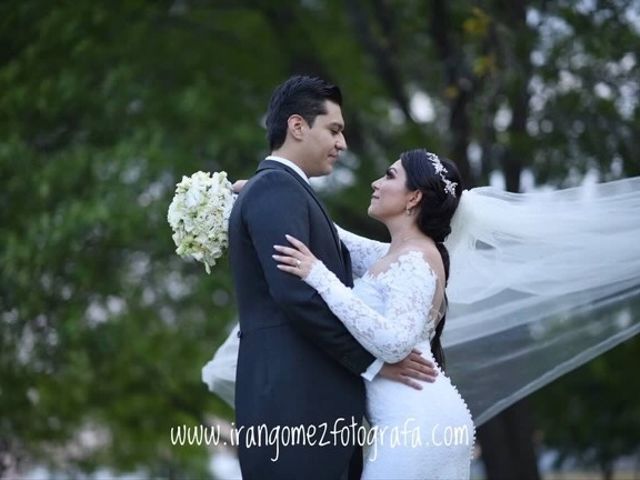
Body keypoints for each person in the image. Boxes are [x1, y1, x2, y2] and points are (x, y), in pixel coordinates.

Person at [227, 75, 438, 480]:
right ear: (298, 126)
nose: (342, 143)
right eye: (335, 130)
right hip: (295, 407)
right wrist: (371, 364)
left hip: (308, 406)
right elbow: (296, 296)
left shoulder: (282, 189)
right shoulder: (276, 188)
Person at [273, 149, 475, 479]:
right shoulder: (398, 254)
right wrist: (264, 192)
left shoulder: (416, 259)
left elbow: (395, 342)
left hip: (416, 426)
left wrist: (317, 274)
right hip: (427, 421)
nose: (376, 183)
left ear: (414, 198)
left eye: (390, 176)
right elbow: (334, 237)